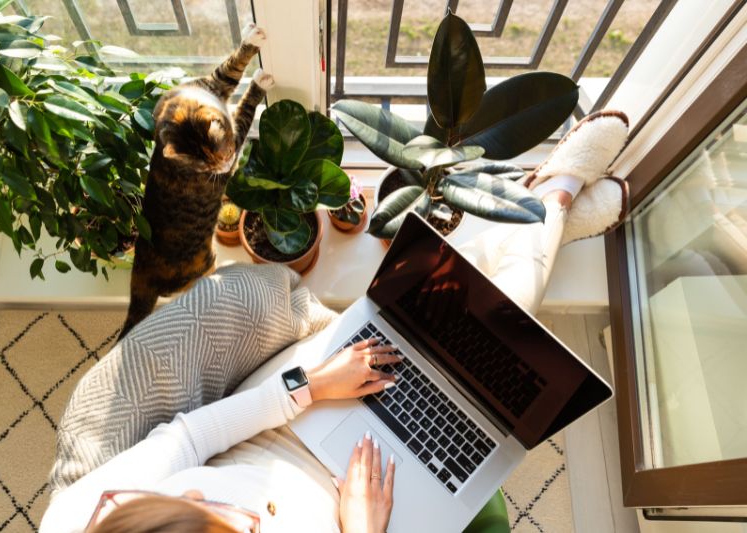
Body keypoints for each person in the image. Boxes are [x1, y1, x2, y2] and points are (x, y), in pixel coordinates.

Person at [40, 111, 629, 533]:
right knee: (497, 343)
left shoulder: (87, 518)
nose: (195, 488)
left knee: (435, 315)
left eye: (185, 500)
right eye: (213, 517)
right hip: (364, 511)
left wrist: (310, 387)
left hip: (276, 429)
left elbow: (192, 438)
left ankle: (548, 207)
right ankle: (549, 204)